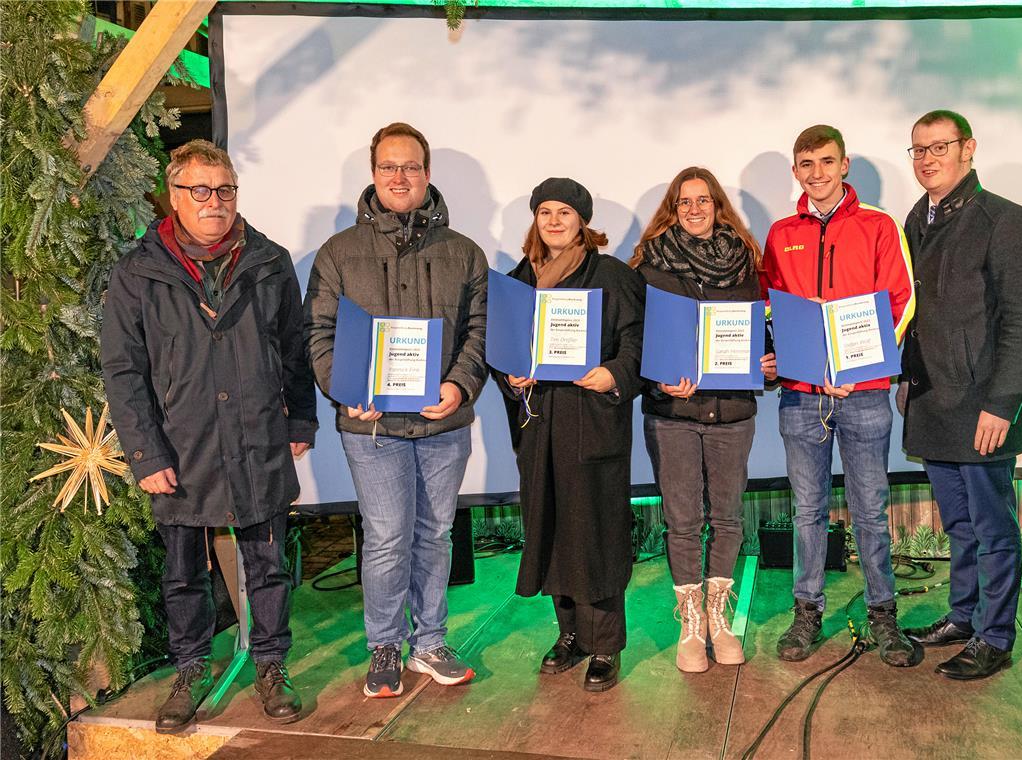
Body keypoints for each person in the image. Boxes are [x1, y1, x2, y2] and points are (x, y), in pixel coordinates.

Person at [101, 140, 316, 732]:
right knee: (182, 572)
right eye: (200, 190)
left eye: (224, 189)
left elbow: (294, 349)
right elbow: (122, 369)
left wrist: (300, 418)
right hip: (179, 444)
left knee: (268, 562)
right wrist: (144, 452)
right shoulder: (137, 273)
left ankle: (271, 664)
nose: (214, 201)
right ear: (174, 197)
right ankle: (191, 668)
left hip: (257, 438)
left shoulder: (269, 262)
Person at [303, 123, 488, 698]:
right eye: (389, 167)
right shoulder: (339, 253)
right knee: (385, 538)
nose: (400, 177)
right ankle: (384, 645)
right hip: (372, 425)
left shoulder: (464, 253)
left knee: (434, 534)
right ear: (373, 174)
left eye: (410, 167)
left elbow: (480, 331)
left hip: (443, 423)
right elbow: (318, 335)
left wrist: (458, 386)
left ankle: (429, 641)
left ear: (427, 174)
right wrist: (344, 387)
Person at [762, 125, 917, 667]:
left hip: (864, 394)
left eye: (827, 162)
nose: (818, 173)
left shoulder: (878, 226)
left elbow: (902, 303)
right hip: (802, 396)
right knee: (807, 511)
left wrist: (861, 365)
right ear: (796, 170)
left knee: (871, 511)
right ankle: (807, 612)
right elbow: (769, 305)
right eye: (807, 164)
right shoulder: (781, 233)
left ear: (844, 164)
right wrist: (773, 354)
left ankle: (884, 616)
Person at [898, 110, 1022, 680]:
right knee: (958, 525)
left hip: (983, 408)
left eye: (939, 147)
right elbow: (913, 311)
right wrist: (907, 379)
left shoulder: (1006, 220)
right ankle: (963, 616)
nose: (927, 158)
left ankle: (996, 635)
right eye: (918, 149)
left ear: (969, 149)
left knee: (993, 527)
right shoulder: (915, 218)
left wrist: (1001, 403)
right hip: (933, 403)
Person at [494, 178, 644, 692]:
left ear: (583, 220)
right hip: (539, 428)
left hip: (592, 423)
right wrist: (512, 376)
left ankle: (604, 645)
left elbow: (638, 346)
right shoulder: (517, 281)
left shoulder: (611, 277)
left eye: (565, 212)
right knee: (553, 532)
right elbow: (504, 349)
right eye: (545, 212)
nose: (554, 220)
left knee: (595, 534)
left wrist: (615, 375)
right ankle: (570, 635)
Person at [629, 167, 776, 673]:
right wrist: (657, 380)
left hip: (733, 413)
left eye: (704, 201)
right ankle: (690, 626)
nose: (694, 209)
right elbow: (633, 345)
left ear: (718, 207)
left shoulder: (747, 265)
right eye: (684, 201)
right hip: (673, 413)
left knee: (729, 518)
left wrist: (770, 365)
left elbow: (767, 337)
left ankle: (719, 619)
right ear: (673, 208)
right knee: (683, 520)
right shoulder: (650, 270)